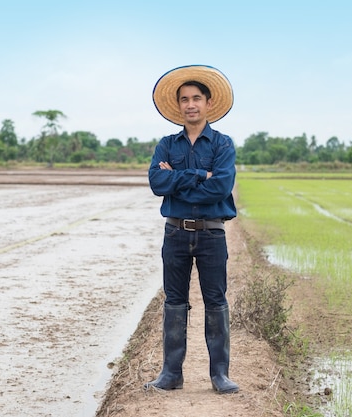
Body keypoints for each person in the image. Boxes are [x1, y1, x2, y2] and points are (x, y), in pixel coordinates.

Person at [145, 65, 239, 394]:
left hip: (212, 233)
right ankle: (171, 374)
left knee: (215, 301)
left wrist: (179, 180)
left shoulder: (223, 145)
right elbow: (157, 182)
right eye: (184, 99)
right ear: (179, 106)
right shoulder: (167, 144)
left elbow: (221, 187)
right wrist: (201, 176)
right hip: (175, 233)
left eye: (196, 98)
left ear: (208, 103)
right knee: (174, 301)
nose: (190, 105)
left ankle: (220, 375)